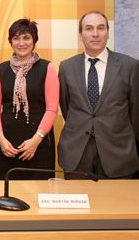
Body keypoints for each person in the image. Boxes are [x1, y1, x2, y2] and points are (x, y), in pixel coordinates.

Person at [58, 11, 139, 179]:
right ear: (81, 35)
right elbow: (66, 106)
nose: (95, 33)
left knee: (116, 204)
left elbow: (135, 112)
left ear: (108, 33)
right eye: (89, 28)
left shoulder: (130, 66)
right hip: (77, 153)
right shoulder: (66, 67)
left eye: (100, 28)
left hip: (117, 153)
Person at [0, 19, 59, 180]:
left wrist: (36, 140)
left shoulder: (46, 68)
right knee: (6, 193)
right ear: (11, 41)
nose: (21, 43)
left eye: (26, 37)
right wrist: (1, 140)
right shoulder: (1, 69)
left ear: (34, 41)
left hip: (39, 142)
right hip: (8, 144)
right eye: (16, 38)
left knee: (39, 194)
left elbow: (52, 109)